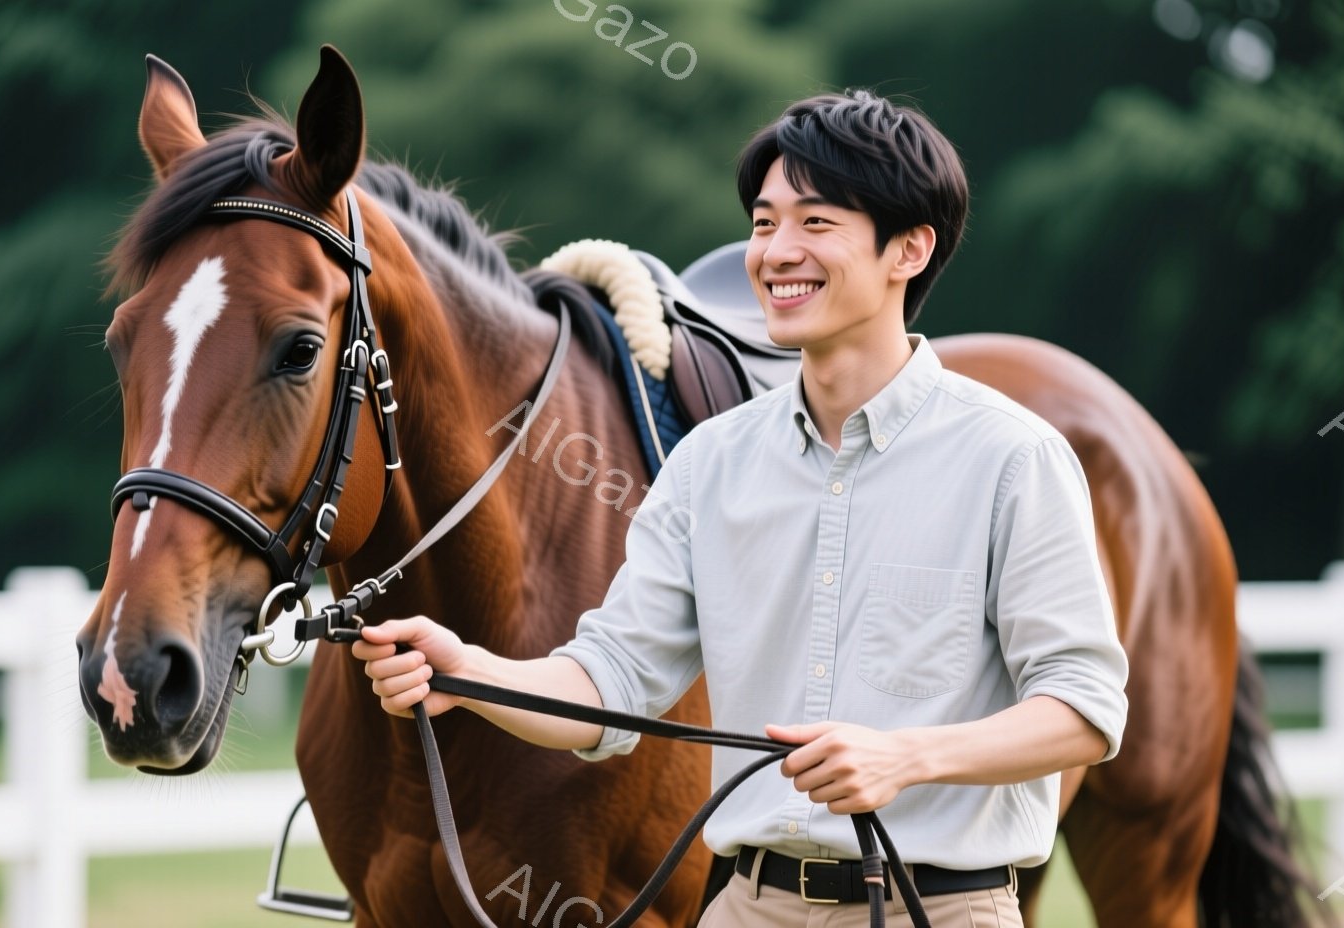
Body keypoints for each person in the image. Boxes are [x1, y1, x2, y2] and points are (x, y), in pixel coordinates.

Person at [353, 90, 1130, 928]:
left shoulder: (1013, 457)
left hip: (939, 909)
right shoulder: (707, 465)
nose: (775, 253)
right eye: (764, 224)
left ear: (910, 248)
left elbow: (1085, 708)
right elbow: (610, 684)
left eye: (816, 223)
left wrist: (905, 757)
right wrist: (472, 673)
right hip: (744, 909)